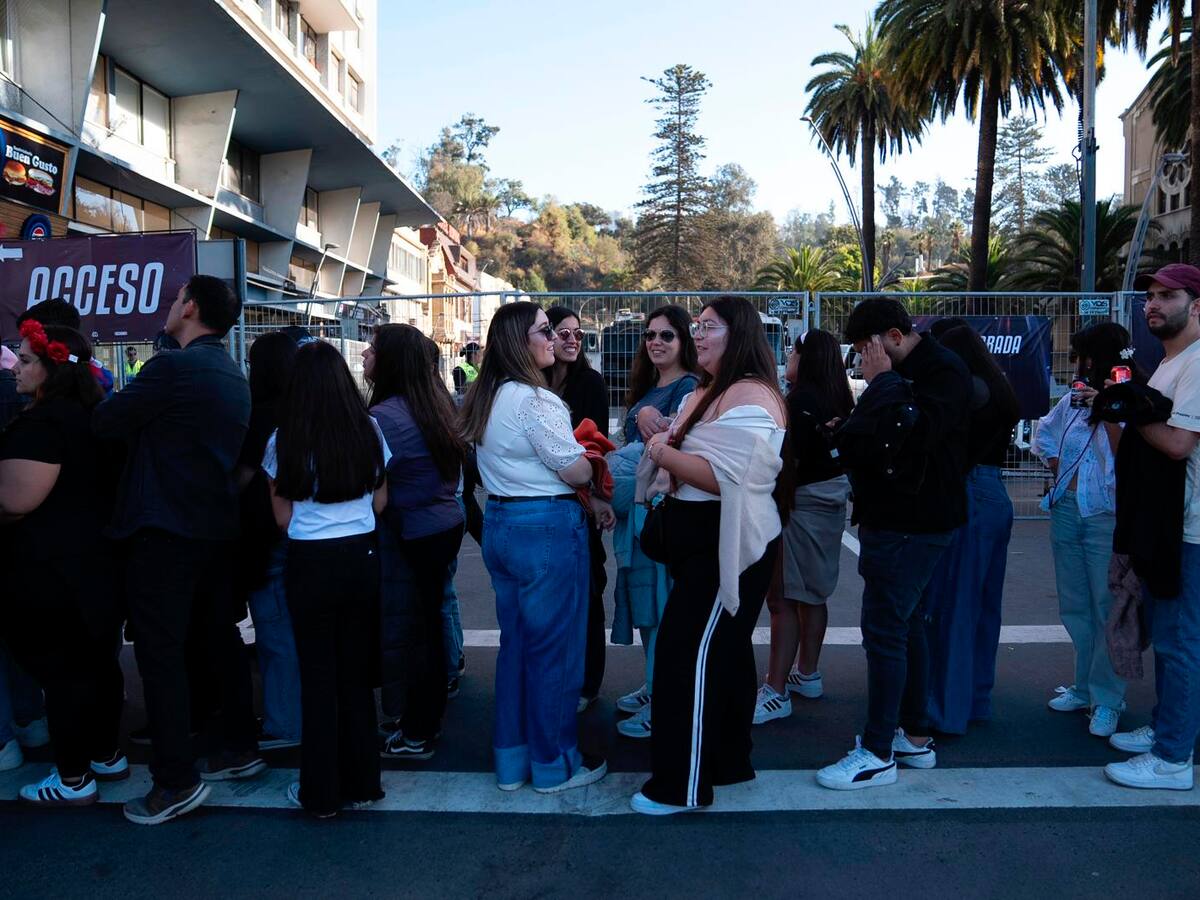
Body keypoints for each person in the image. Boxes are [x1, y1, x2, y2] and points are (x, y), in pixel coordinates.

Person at [93, 275, 263, 826]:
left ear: (189, 307)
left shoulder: (172, 367)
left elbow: (106, 421)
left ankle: (175, 781)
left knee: (160, 655)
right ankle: (238, 746)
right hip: (213, 526)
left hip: (164, 529)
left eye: (173, 300)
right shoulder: (234, 375)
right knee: (218, 639)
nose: (169, 308)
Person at [632, 296, 786, 815]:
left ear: (738, 333)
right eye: (695, 326)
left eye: (708, 327)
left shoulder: (751, 395)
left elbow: (725, 476)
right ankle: (727, 762)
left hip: (729, 542)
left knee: (684, 657)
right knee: (722, 654)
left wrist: (662, 452)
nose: (697, 335)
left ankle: (681, 786)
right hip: (704, 539)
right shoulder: (710, 390)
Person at [817, 297, 971, 790]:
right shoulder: (915, 371)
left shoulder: (943, 371)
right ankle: (913, 734)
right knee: (907, 628)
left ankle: (878, 750)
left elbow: (911, 433)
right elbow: (880, 431)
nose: (864, 360)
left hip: (915, 521)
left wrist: (882, 383)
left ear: (895, 337)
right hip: (898, 516)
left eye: (868, 349)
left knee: (885, 630)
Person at [462, 301, 608, 794]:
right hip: (545, 525)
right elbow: (573, 470)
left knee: (517, 648)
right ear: (519, 343)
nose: (554, 339)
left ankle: (512, 761)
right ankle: (553, 763)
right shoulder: (536, 400)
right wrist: (590, 458)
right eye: (545, 331)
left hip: (502, 522)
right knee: (555, 653)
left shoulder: (488, 396)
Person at [0, 322, 126, 807]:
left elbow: (16, 500)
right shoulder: (96, 415)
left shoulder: (45, 425)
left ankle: (73, 777)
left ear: (51, 369)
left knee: (64, 672)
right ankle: (106, 754)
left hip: (52, 570)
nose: (16, 366)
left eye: (27, 359)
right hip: (95, 564)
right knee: (96, 663)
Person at [265, 339, 389, 817]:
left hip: (309, 562)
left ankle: (320, 794)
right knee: (355, 677)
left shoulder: (282, 439)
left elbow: (280, 516)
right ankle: (365, 783)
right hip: (362, 555)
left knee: (317, 679)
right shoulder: (370, 429)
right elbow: (380, 502)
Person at [1105, 264, 1200, 790]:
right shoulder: (1170, 364)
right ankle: (1169, 728)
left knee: (1180, 642)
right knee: (1168, 637)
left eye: (1168, 295)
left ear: (1197, 304)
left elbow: (1177, 443)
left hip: (1191, 529)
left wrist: (1129, 408)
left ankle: (1172, 758)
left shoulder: (1197, 363)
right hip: (1167, 527)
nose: (1153, 305)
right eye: (1149, 296)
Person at [366, 324, 466, 761]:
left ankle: (418, 728)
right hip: (443, 524)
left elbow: (372, 488)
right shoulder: (433, 405)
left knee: (413, 633)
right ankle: (425, 718)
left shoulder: (383, 418)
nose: (366, 354)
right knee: (428, 624)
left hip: (412, 531)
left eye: (372, 348)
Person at [1032, 324, 1132, 738]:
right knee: (1075, 605)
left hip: (1106, 514)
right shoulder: (1073, 401)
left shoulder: (1128, 396)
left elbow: (1129, 453)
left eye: (1086, 356)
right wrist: (1060, 472)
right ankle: (1082, 686)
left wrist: (1108, 406)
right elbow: (1044, 434)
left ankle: (1108, 699)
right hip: (1067, 509)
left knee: (1106, 607)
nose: (1081, 364)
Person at [922, 324, 1021, 735]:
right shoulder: (996, 386)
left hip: (969, 495)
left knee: (953, 608)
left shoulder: (968, 388)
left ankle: (945, 710)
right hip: (994, 494)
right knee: (982, 608)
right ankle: (975, 698)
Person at [755, 329, 853, 725]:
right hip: (827, 504)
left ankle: (776, 690)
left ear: (804, 358)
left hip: (799, 504)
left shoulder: (796, 403)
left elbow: (779, 460)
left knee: (782, 600)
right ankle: (807, 672)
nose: (787, 360)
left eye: (792, 352)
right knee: (813, 595)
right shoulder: (840, 400)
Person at [611, 304, 699, 738]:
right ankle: (653, 682)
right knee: (645, 607)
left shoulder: (690, 388)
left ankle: (665, 698)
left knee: (661, 608)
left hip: (661, 515)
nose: (656, 342)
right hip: (638, 517)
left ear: (684, 340)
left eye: (667, 335)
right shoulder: (646, 389)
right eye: (651, 335)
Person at [542, 306, 611, 711]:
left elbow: (594, 445)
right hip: (543, 502)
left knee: (587, 591)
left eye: (578, 334)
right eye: (561, 332)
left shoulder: (591, 383)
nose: (571, 340)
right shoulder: (532, 384)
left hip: (579, 502)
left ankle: (588, 683)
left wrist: (595, 495)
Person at [235, 331, 301, 751]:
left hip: (267, 534)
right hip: (313, 536)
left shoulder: (259, 417)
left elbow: (243, 478)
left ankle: (284, 722)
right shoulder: (313, 411)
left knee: (275, 633)